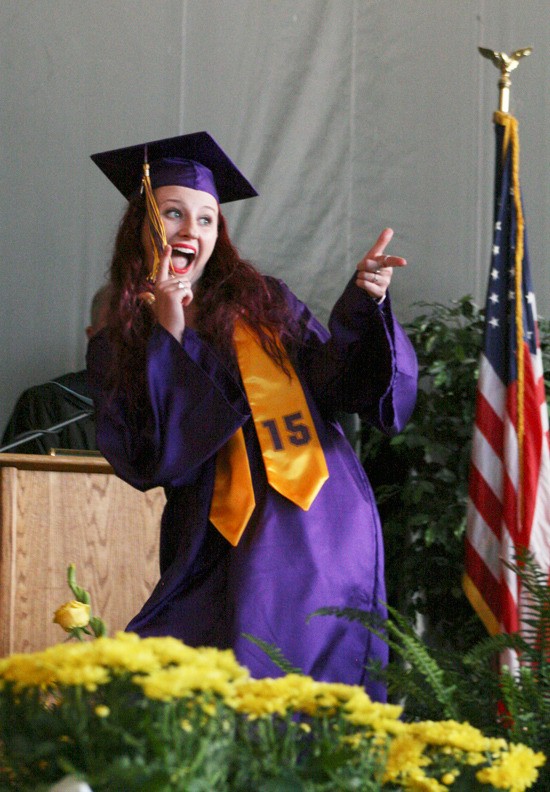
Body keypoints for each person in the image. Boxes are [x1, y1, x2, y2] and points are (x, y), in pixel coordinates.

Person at [86, 132, 418, 702]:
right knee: (210, 684)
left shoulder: (264, 302)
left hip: (321, 522)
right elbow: (149, 454)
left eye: (208, 219)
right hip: (219, 537)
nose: (193, 230)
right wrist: (170, 330)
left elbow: (335, 381)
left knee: (317, 687)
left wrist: (365, 303)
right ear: (141, 223)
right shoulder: (122, 335)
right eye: (173, 213)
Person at [1, 285, 110, 454]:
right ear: (92, 335)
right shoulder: (45, 405)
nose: (128, 336)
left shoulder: (162, 414)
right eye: (115, 325)